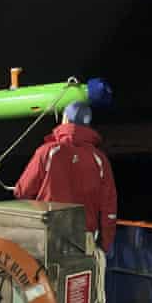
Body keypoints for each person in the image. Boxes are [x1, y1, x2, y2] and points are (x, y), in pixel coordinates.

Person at [14, 101, 117, 253]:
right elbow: (109, 208)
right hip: (84, 241)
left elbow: (22, 192)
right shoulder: (100, 159)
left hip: (47, 237)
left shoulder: (47, 152)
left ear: (66, 120)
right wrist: (105, 245)